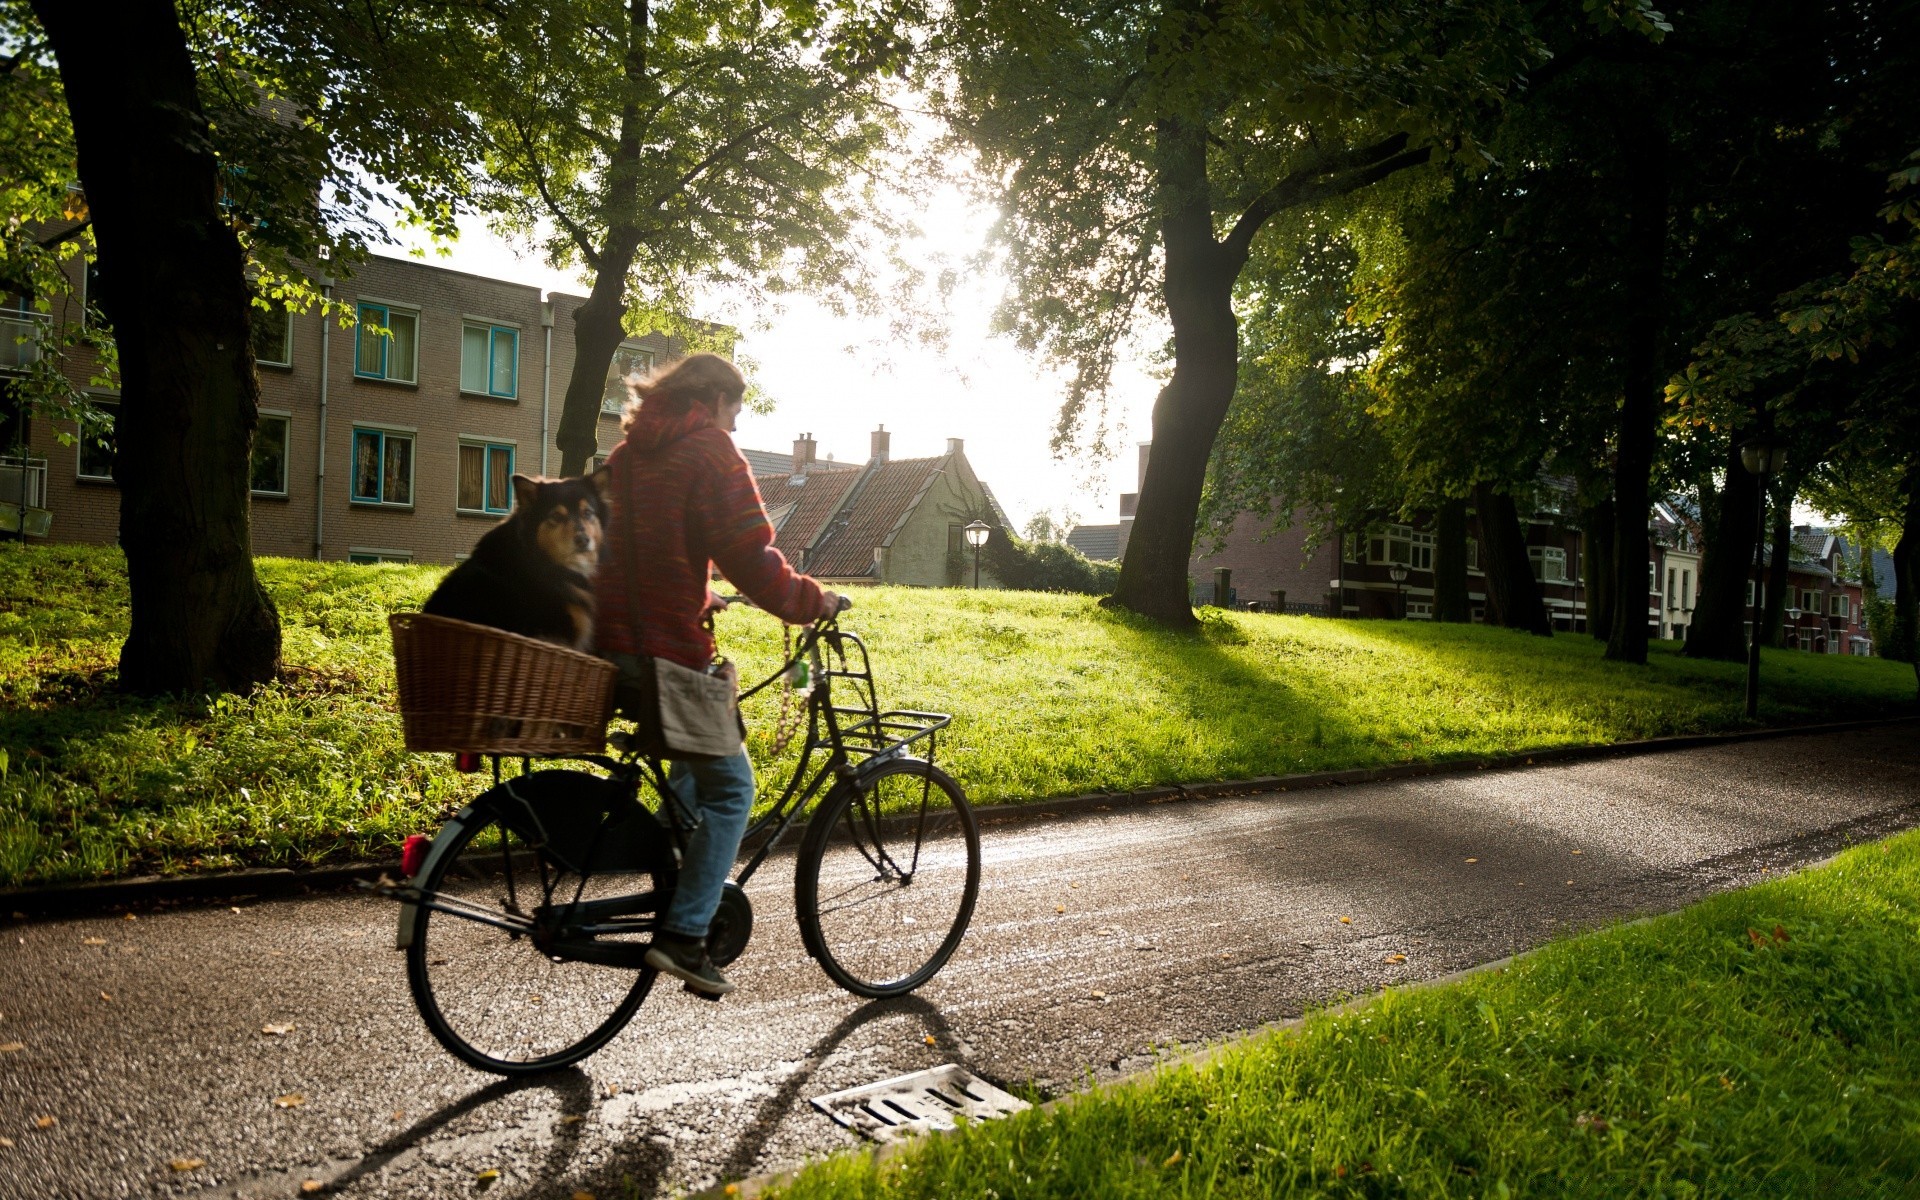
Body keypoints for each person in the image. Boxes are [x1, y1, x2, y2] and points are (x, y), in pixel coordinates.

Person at [596, 352, 840, 997]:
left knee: (690, 777)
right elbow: (751, 557)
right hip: (663, 654)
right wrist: (814, 600)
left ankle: (681, 877)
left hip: (608, 643)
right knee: (732, 792)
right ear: (716, 401)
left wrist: (700, 594)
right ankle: (683, 936)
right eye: (737, 410)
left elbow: (640, 551)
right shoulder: (709, 451)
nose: (736, 425)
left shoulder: (628, 454)